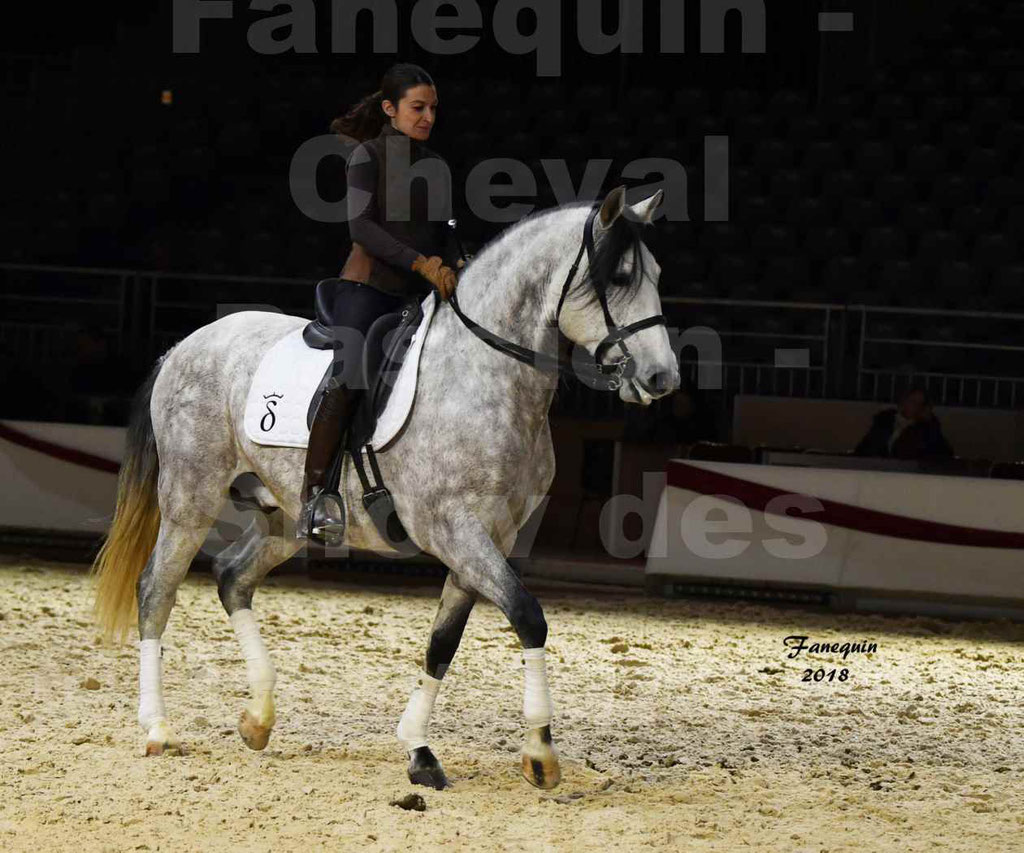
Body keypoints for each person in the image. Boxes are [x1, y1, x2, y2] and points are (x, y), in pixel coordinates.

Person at [297, 63, 463, 543]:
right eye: (418, 107)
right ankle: (315, 497)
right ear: (390, 110)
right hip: (367, 289)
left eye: (433, 108)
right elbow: (363, 229)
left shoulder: (436, 165)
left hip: (418, 293)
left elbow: (447, 231)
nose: (428, 116)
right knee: (353, 372)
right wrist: (421, 264)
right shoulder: (367, 157)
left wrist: (456, 264)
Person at [853, 386, 954, 460]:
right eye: (913, 401)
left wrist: (929, 422)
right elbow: (866, 447)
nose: (916, 406)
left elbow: (944, 452)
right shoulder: (884, 420)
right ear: (903, 401)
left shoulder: (925, 427)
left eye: (920, 404)